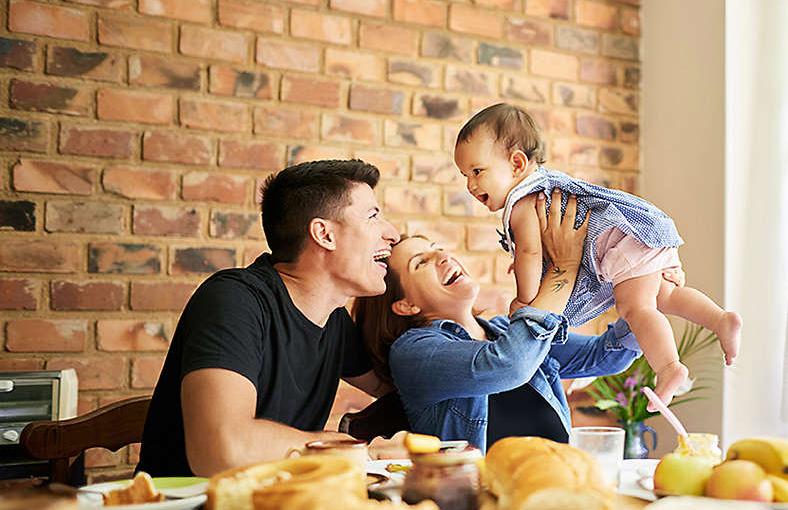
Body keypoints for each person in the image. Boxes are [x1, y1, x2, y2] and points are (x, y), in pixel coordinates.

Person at [453, 103, 742, 410]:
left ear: (517, 163)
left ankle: (669, 367)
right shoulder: (544, 186)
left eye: (477, 172)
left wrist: (525, 301)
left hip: (623, 242)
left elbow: (530, 251)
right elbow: (538, 251)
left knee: (635, 308)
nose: (471, 185)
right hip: (636, 233)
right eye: (464, 175)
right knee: (664, 296)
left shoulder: (522, 202)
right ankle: (720, 319)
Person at [137, 159, 404, 477]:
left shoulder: (333, 321)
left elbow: (397, 388)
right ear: (324, 234)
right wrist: (349, 451)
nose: (392, 233)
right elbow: (221, 449)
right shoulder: (235, 300)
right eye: (373, 216)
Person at [353, 191, 644, 452]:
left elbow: (607, 355)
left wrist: (643, 291)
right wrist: (561, 269)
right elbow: (508, 364)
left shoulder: (508, 331)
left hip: (553, 485)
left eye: (437, 247)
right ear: (406, 305)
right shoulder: (413, 352)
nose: (442, 256)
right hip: (480, 502)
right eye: (421, 262)